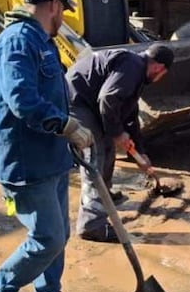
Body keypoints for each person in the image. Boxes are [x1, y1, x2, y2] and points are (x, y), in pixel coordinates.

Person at [0, 0, 95, 292]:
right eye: (63, 8)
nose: (63, 17)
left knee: (56, 238)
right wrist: (66, 126)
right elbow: (22, 101)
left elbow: (50, 98)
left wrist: (69, 133)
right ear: (54, 3)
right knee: (47, 238)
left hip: (51, 159)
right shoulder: (17, 41)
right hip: (27, 164)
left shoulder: (40, 42)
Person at [67, 44, 174, 243]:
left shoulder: (137, 71)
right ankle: (92, 225)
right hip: (76, 103)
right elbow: (108, 98)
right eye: (163, 75)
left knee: (108, 150)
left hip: (88, 105)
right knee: (96, 156)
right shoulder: (132, 65)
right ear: (159, 68)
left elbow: (130, 117)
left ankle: (103, 197)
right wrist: (117, 133)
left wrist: (140, 154)